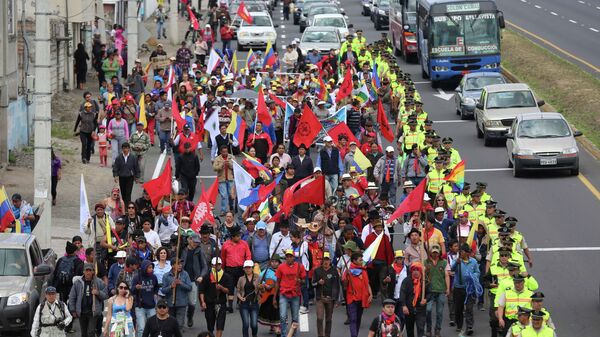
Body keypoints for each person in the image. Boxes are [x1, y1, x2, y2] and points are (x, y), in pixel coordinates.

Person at [68, 263, 107, 337]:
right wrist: (73, 310)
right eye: (86, 270)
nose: (88, 272)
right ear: (83, 271)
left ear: (93, 272)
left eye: (90, 270)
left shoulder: (98, 282)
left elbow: (105, 295)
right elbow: (72, 297)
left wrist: (98, 293)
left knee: (91, 331)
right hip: (82, 311)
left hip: (93, 311)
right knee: (84, 333)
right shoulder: (78, 283)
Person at [275, 249, 306, 337]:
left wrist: (300, 280)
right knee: (282, 316)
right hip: (283, 294)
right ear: (285, 258)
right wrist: (274, 297)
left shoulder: (300, 266)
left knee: (295, 318)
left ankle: (293, 334)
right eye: (287, 257)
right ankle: (284, 335)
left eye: (290, 256)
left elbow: (304, 281)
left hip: (295, 294)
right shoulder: (281, 267)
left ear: (294, 257)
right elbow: (277, 282)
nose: (289, 258)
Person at [451, 244, 481, 336]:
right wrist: (457, 263)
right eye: (460, 251)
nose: (461, 253)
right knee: (458, 308)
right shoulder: (457, 260)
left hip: (469, 289)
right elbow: (452, 269)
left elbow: (477, 272)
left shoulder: (473, 262)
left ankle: (469, 326)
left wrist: (473, 276)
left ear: (467, 253)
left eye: (463, 251)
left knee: (469, 308)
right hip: (458, 288)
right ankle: (459, 325)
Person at [199, 257, 232, 337]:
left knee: (220, 325)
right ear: (212, 265)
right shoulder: (207, 276)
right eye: (215, 265)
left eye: (219, 264)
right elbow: (201, 291)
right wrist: (203, 302)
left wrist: (221, 288)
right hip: (209, 303)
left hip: (221, 303)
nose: (217, 266)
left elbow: (229, 291)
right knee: (210, 325)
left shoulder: (226, 276)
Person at [221, 226, 252, 312]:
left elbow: (248, 255)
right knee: (230, 287)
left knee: (241, 286)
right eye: (237, 236)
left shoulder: (244, 244)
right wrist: (222, 268)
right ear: (232, 236)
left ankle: (240, 301)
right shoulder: (225, 245)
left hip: (241, 269)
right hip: (229, 269)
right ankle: (230, 305)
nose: (239, 237)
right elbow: (223, 257)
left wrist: (248, 264)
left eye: (240, 235)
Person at [343, 252, 373, 337]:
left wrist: (370, 294)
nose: (362, 261)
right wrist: (347, 277)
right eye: (360, 260)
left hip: (362, 298)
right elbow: (345, 286)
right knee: (353, 319)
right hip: (352, 298)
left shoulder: (363, 270)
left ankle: (355, 334)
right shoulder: (348, 271)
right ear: (354, 261)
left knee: (358, 319)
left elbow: (367, 283)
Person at [424, 244, 450, 337]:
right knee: (428, 310)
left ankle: (437, 329)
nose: (435, 254)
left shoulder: (444, 262)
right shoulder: (426, 262)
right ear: (430, 252)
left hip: (441, 290)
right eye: (433, 252)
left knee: (439, 312)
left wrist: (448, 288)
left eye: (436, 253)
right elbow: (422, 276)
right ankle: (428, 329)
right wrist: (426, 270)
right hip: (430, 290)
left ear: (439, 253)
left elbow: (447, 275)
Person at [313, 252, 340, 337]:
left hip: (330, 299)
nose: (326, 261)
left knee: (328, 319)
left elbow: (337, 286)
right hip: (320, 298)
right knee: (320, 318)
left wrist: (336, 300)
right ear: (322, 260)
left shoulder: (334, 271)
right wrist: (318, 283)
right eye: (324, 259)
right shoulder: (317, 271)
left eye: (327, 259)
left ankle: (327, 335)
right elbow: (312, 284)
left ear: (330, 260)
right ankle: (320, 335)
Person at [162, 257, 194, 329]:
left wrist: (181, 283)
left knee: (179, 325)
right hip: (170, 304)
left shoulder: (185, 274)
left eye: (181, 264)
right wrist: (171, 286)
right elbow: (163, 290)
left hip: (182, 303)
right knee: (171, 324)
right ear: (173, 265)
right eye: (178, 264)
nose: (180, 265)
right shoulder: (166, 276)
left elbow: (190, 287)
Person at [131, 260, 160, 337]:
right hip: (140, 306)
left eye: (152, 267)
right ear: (144, 268)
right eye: (149, 267)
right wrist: (136, 288)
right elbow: (132, 291)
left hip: (151, 306)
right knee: (141, 328)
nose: (152, 269)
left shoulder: (153, 277)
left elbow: (156, 286)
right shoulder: (137, 277)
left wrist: (155, 294)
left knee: (153, 327)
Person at [399, 262, 427, 337]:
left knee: (420, 328)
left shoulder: (424, 281)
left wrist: (426, 299)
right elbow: (402, 293)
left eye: (417, 270)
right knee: (409, 329)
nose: (415, 271)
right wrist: (404, 306)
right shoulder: (406, 281)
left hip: (421, 309)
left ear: (420, 271)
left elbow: (430, 293)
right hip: (409, 309)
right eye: (414, 270)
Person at [237, 260, 260, 337]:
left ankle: (254, 335)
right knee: (246, 324)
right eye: (246, 268)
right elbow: (238, 291)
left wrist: (262, 287)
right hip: (244, 304)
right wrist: (240, 298)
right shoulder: (241, 279)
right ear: (243, 269)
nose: (247, 269)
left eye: (249, 267)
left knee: (254, 324)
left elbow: (262, 290)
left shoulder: (258, 277)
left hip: (254, 303)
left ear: (252, 268)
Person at [213, 145, 235, 215]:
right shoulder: (217, 159)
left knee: (231, 195)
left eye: (226, 151)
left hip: (230, 178)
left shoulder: (231, 157)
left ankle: (231, 207)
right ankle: (223, 210)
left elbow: (236, 167)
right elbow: (214, 168)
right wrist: (221, 165)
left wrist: (230, 165)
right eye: (223, 152)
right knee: (224, 195)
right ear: (220, 152)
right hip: (221, 179)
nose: (225, 153)